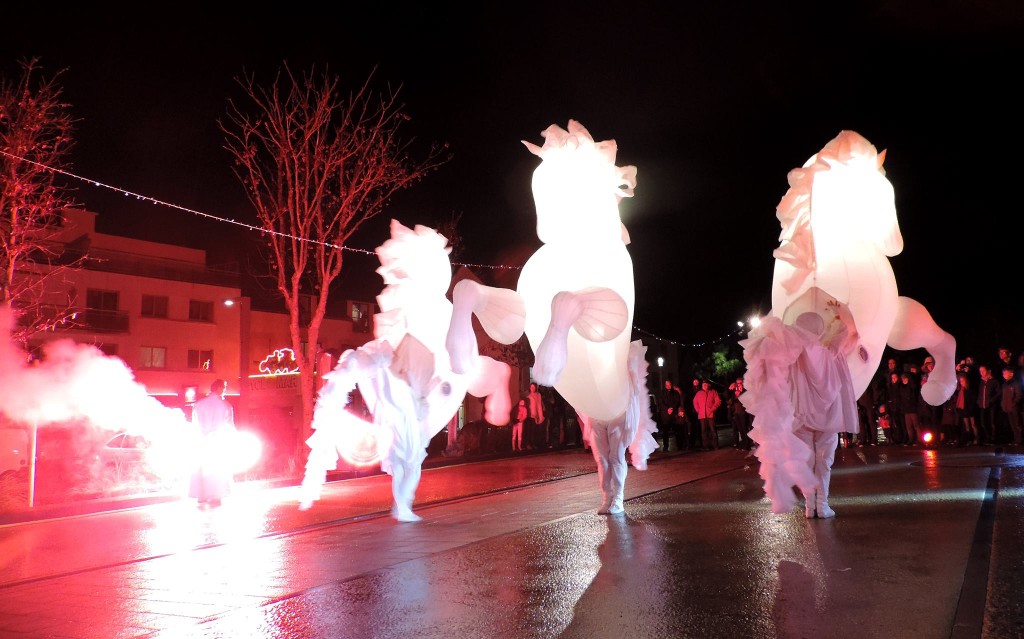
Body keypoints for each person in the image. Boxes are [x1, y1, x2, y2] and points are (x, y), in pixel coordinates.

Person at [741, 311, 858, 519]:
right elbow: (851, 334)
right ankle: (822, 506)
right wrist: (839, 315)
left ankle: (809, 506)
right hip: (828, 419)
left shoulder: (790, 356)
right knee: (824, 462)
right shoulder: (831, 352)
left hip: (801, 417)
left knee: (804, 462)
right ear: (819, 330)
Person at [189, 379, 237, 507]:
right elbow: (230, 425)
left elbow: (194, 425)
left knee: (201, 469)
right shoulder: (226, 405)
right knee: (217, 469)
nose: (225, 391)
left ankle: (201, 495)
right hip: (217, 442)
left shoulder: (198, 405)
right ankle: (216, 494)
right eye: (225, 388)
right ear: (219, 388)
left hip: (201, 441)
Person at [693, 380, 722, 450]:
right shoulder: (699, 393)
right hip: (702, 415)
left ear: (708, 385)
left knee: (713, 430)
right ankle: (706, 446)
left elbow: (718, 401)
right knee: (703, 431)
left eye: (706, 384)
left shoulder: (713, 392)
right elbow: (695, 402)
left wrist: (713, 408)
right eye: (703, 385)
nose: (705, 386)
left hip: (710, 415)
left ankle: (715, 445)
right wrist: (698, 410)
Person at [657, 378, 682, 452]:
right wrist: (667, 409)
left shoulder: (675, 393)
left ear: (671, 385)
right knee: (665, 432)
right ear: (665, 385)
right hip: (665, 415)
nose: (668, 386)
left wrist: (672, 408)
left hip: (674, 415)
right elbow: (660, 403)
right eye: (667, 385)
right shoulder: (662, 393)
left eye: (669, 384)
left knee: (676, 431)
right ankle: (665, 446)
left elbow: (677, 402)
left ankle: (679, 445)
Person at [527, 382, 546, 450]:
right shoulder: (528, 396)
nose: (532, 388)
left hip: (537, 415)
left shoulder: (538, 395)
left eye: (533, 387)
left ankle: (535, 443)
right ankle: (529, 444)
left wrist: (540, 415)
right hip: (530, 416)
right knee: (531, 430)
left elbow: (539, 406)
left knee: (535, 430)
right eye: (531, 387)